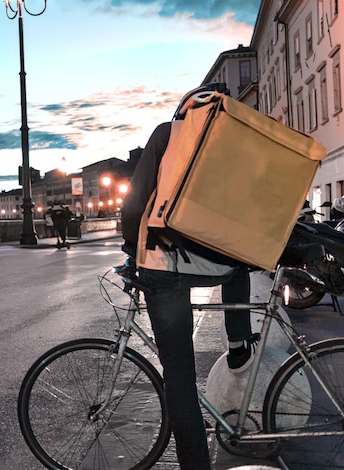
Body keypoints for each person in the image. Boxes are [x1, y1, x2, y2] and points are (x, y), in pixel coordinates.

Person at [120, 84, 256, 470]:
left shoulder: (168, 133)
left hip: (164, 266)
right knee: (236, 267)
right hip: (221, 263)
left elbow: (134, 206)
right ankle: (238, 344)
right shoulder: (237, 146)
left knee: (179, 372)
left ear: (186, 110)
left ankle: (195, 465)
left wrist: (133, 249)